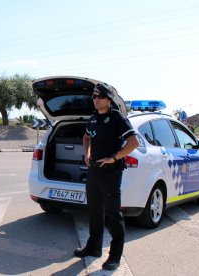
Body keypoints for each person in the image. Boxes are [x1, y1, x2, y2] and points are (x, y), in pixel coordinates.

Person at [74, 83, 139, 270]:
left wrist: (114, 157)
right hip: (94, 171)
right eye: (94, 97)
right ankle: (93, 248)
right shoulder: (93, 118)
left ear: (109, 100)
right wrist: (87, 153)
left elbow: (133, 142)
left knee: (113, 214)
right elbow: (86, 137)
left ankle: (114, 256)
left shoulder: (116, 117)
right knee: (94, 211)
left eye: (100, 97)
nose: (96, 100)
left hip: (111, 173)